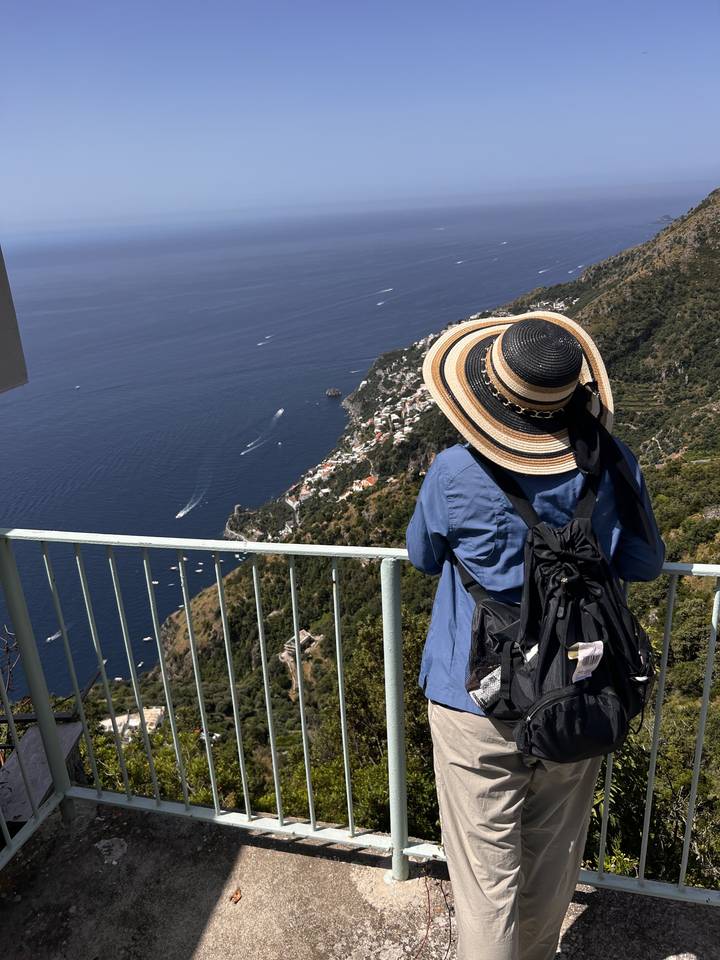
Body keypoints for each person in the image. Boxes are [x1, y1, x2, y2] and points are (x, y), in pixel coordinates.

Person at [405, 311, 665, 960]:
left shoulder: (454, 473)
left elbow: (422, 555)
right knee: (552, 864)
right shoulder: (610, 464)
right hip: (578, 687)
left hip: (475, 700)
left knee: (486, 883)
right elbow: (644, 564)